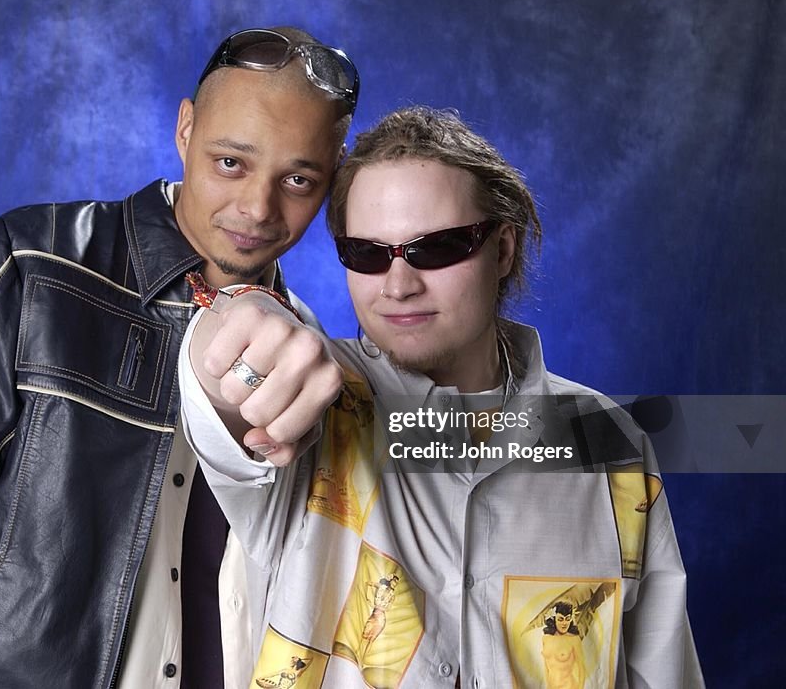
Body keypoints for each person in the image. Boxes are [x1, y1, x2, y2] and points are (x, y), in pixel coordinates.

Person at [0, 26, 359, 688]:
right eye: (231, 163)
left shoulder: (313, 360)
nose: (257, 208)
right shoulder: (32, 264)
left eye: (298, 179)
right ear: (186, 130)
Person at [179, 107, 703, 687]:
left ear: (503, 250)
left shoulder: (610, 443)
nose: (399, 285)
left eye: (435, 248)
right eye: (368, 254)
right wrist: (238, 313)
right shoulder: (316, 407)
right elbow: (223, 376)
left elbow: (661, 670)